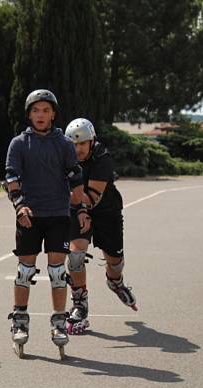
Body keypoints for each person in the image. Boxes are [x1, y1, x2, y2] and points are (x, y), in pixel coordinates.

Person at [3, 89, 85, 358]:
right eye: (36, 110)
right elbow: (11, 177)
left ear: (53, 114)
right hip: (29, 215)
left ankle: (59, 322)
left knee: (57, 272)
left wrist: (81, 208)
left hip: (58, 214)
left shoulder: (62, 143)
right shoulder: (19, 143)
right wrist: (19, 205)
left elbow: (75, 175)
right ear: (29, 114)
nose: (41, 115)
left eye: (46, 110)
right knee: (25, 271)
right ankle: (20, 319)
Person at [64, 118, 137, 334]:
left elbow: (92, 198)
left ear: (91, 141)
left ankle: (115, 282)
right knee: (75, 257)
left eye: (82, 144)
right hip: (77, 210)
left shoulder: (101, 158)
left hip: (106, 211)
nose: (78, 149)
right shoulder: (64, 158)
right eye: (73, 145)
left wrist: (65, 197)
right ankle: (80, 303)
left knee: (115, 262)